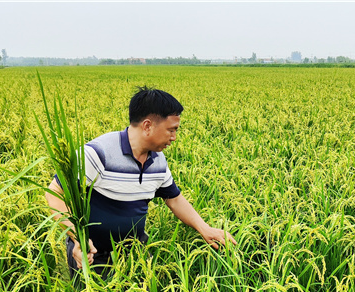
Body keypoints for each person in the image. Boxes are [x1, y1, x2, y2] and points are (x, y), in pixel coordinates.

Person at [45, 87, 237, 277]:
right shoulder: (98, 153)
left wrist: (205, 228)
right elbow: (54, 193)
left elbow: (174, 199)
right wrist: (78, 237)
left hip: (135, 253)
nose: (174, 138)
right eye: (171, 130)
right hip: (93, 256)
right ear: (147, 126)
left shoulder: (158, 161)